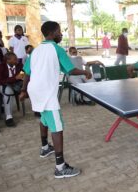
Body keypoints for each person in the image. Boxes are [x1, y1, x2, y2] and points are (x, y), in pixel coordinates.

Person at [20, 21, 92, 179]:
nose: (61, 34)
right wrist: (85, 73)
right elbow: (71, 70)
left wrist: (24, 90)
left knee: (44, 118)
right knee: (57, 127)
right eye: (59, 32)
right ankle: (60, 167)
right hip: (46, 92)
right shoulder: (56, 49)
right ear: (52, 33)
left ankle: (45, 147)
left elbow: (26, 72)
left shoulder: (36, 50)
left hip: (35, 90)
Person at [0, 52, 23, 127]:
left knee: (31, 87)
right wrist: (14, 78)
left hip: (16, 84)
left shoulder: (19, 65)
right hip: (2, 85)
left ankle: (37, 110)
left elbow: (25, 73)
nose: (17, 60)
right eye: (14, 59)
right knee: (8, 91)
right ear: (8, 60)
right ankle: (9, 117)